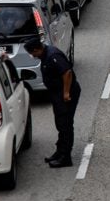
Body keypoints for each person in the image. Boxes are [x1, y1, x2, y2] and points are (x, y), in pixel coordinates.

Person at [24, 38, 81, 168]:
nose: (32, 56)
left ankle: (65, 157)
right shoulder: (45, 55)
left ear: (37, 49)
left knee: (65, 125)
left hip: (65, 95)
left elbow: (67, 72)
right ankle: (59, 152)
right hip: (57, 94)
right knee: (60, 123)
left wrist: (66, 93)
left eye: (32, 53)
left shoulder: (52, 55)